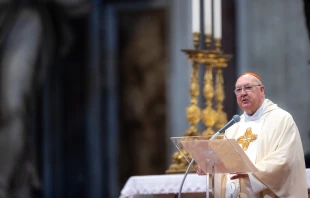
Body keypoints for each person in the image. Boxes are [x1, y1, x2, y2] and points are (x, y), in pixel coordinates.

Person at [197, 72, 308, 197]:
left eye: (248, 87)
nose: (243, 93)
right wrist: (211, 167)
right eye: (238, 90)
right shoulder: (234, 125)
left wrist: (252, 174)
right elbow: (225, 163)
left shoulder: (281, 119)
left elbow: (286, 159)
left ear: (261, 90)